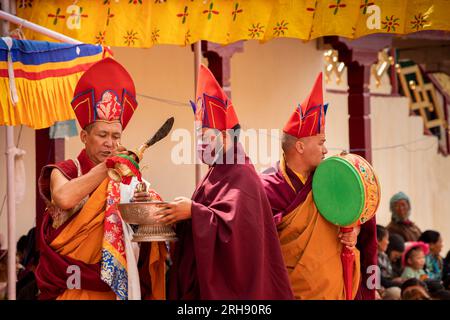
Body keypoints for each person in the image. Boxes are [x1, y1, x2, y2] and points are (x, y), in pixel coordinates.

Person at [35, 58, 166, 300]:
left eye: (116, 136)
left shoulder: (125, 175)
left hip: (111, 288)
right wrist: (108, 167)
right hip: (68, 287)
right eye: (102, 135)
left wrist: (143, 203)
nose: (111, 143)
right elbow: (63, 198)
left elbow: (144, 232)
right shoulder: (65, 170)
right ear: (84, 136)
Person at [163, 64, 293, 299]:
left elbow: (236, 234)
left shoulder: (242, 174)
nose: (200, 143)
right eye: (198, 136)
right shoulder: (217, 171)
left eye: (204, 136)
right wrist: (181, 217)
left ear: (224, 137)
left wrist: (193, 211)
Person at [260, 73, 373, 300]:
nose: (325, 149)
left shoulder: (333, 179)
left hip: (334, 288)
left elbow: (359, 210)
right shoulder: (266, 187)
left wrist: (355, 231)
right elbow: (255, 244)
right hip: (288, 290)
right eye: (321, 142)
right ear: (300, 146)